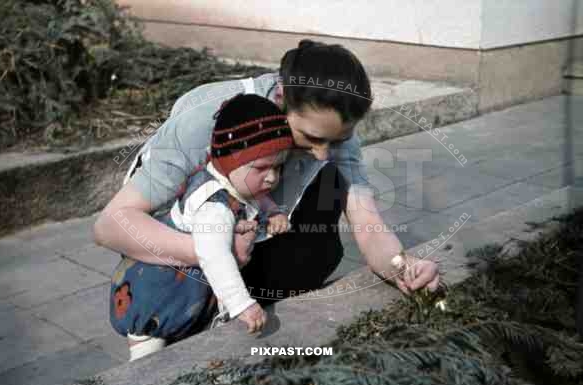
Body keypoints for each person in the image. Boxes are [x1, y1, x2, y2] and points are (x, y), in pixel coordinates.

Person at [94, 39, 440, 359]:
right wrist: (213, 249)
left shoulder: (331, 131)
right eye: (311, 137)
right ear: (282, 97)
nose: (323, 154)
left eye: (338, 140)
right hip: (183, 228)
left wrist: (403, 268)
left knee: (325, 217)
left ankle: (240, 306)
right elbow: (111, 225)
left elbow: (367, 223)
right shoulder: (208, 120)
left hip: (249, 214)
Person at [109, 94, 293, 361]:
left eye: (279, 166)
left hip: (188, 278)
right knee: (149, 351)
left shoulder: (237, 178)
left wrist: (273, 211)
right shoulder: (214, 208)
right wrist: (242, 304)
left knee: (189, 330)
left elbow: (257, 194)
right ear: (230, 161)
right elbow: (215, 256)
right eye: (263, 168)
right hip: (162, 283)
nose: (273, 177)